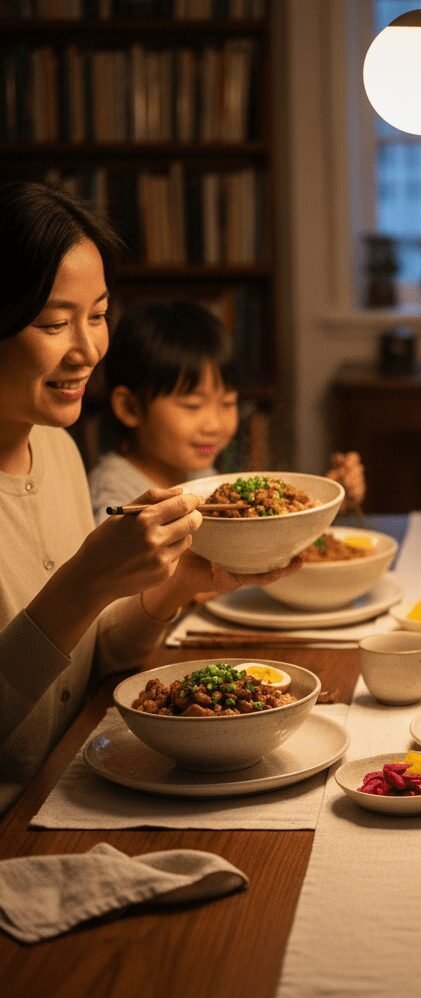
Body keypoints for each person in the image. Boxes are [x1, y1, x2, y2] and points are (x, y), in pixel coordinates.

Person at [0, 181, 298, 815]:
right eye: (54, 323)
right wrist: (82, 584)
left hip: (80, 783)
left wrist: (178, 583)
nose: (88, 351)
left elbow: (90, 659)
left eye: (99, 314)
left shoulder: (55, 446)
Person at [88, 300, 367, 523]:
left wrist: (323, 501)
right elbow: (123, 587)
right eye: (192, 406)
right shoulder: (114, 495)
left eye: (228, 402)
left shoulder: (198, 473)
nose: (214, 424)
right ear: (130, 407)